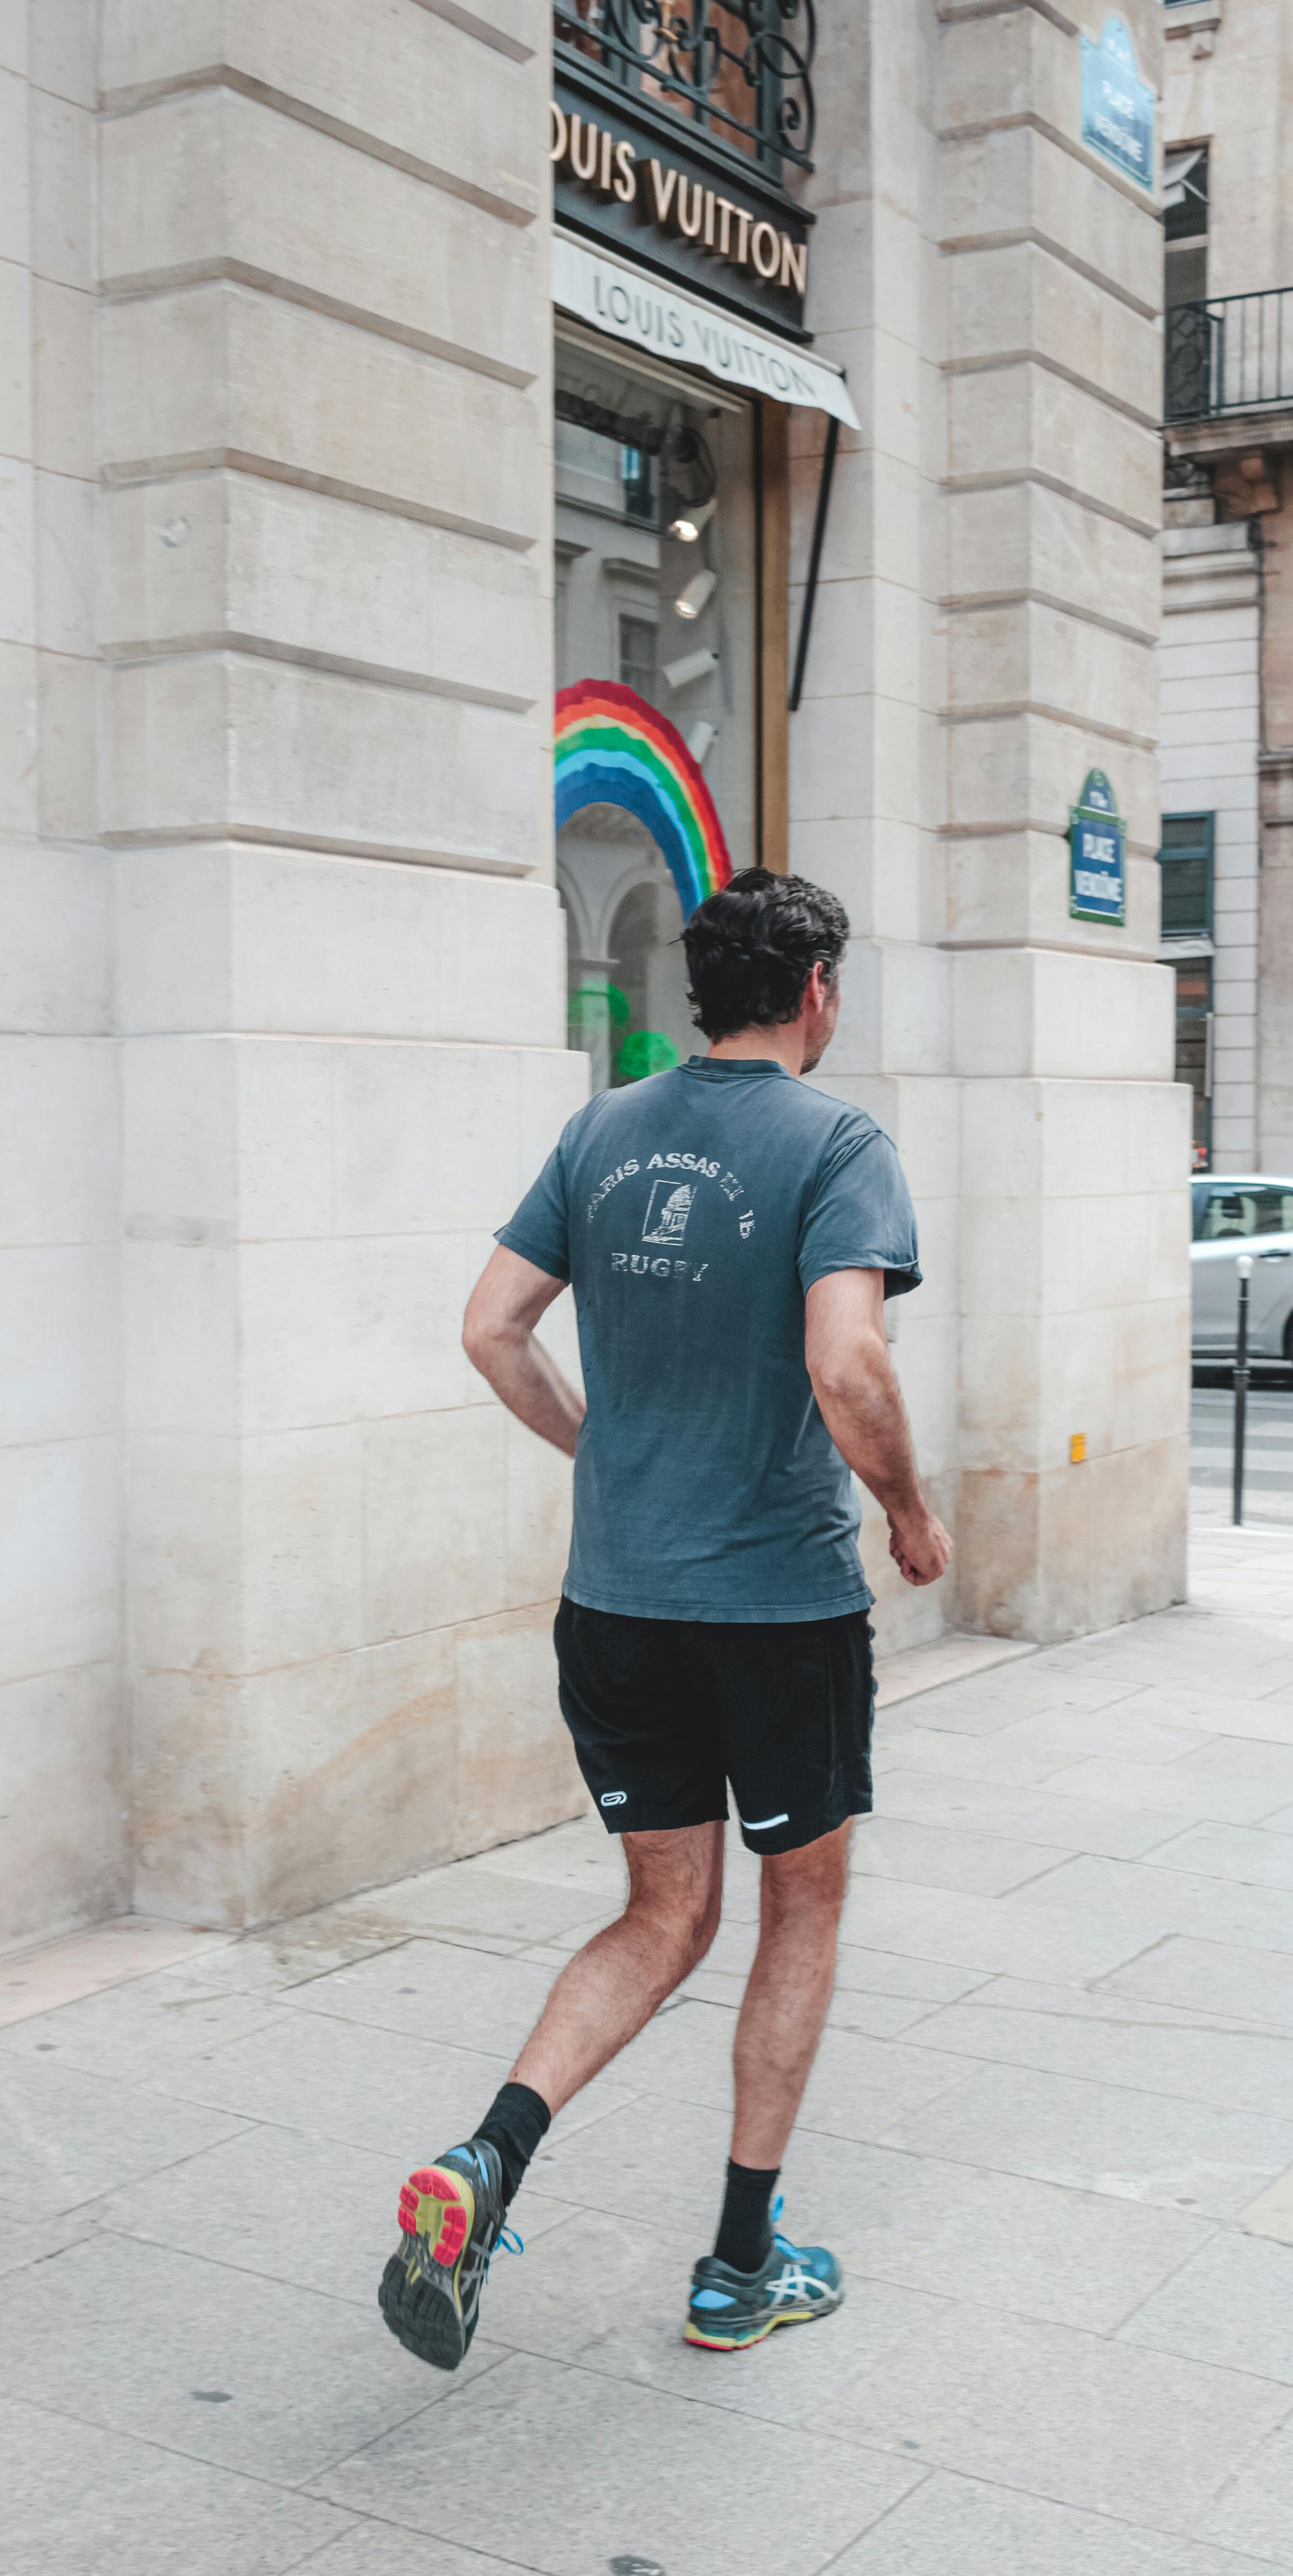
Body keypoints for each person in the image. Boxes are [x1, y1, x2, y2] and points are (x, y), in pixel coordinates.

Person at [378, 867, 952, 2371]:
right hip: (772, 1606)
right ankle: (740, 2267)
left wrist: (598, 1453)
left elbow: (489, 1328)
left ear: (701, 993)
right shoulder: (840, 1145)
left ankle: (487, 2164)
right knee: (799, 1905)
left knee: (661, 1913)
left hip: (617, 1602)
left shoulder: (604, 1128)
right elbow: (851, 1366)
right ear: (818, 991)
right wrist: (908, 1510)